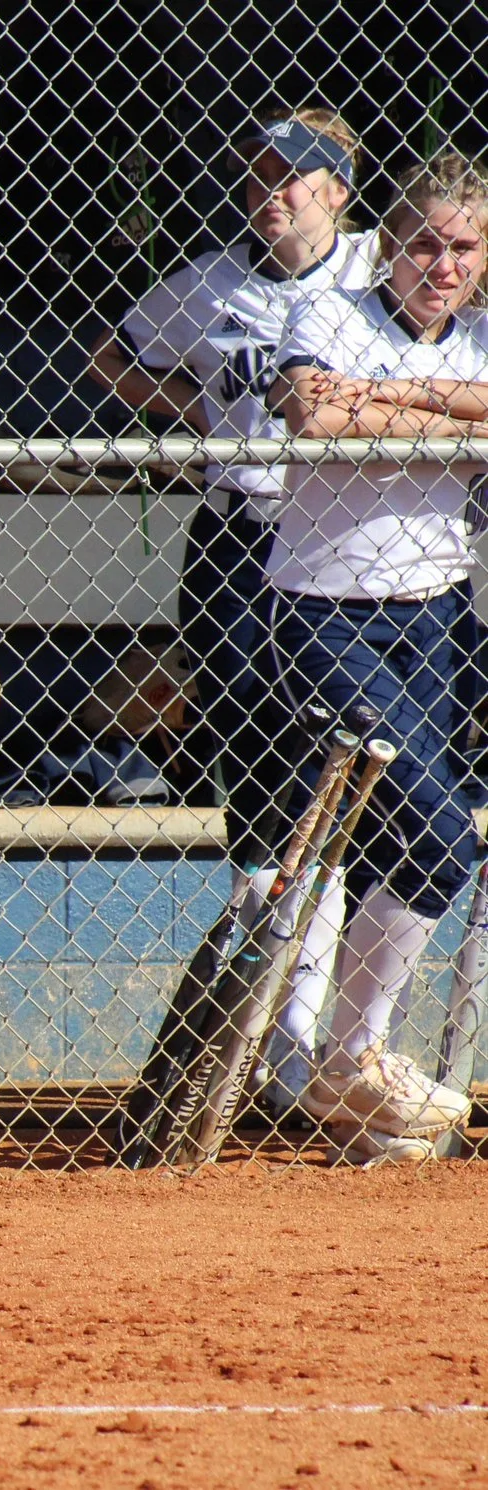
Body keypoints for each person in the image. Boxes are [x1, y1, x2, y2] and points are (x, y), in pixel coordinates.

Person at [87, 107, 379, 1111]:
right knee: (253, 768)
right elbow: (111, 355)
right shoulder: (207, 285)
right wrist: (202, 407)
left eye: (292, 174)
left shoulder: (377, 270)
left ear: (338, 189)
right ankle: (266, 1030)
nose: (270, 189)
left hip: (343, 538)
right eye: (258, 172)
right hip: (236, 536)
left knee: (331, 768)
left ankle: (312, 1032)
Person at [268, 150, 488, 1165]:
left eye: (464, 248)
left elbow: (366, 412)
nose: (443, 267)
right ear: (388, 245)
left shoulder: (479, 336)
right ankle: (349, 1056)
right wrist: (449, 413)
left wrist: (389, 399)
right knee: (441, 833)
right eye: (424, 245)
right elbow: (315, 416)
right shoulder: (329, 314)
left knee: (407, 847)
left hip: (433, 615)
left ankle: (354, 1078)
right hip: (323, 613)